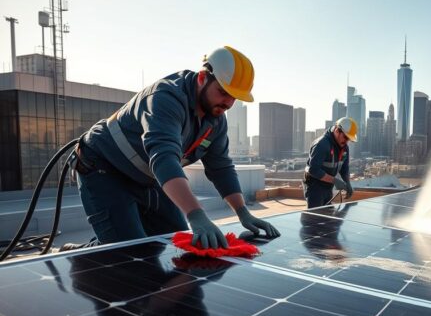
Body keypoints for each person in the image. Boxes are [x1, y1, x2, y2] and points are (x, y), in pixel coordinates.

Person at [65, 46, 279, 251]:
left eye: (234, 97)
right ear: (203, 78)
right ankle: (77, 256)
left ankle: (105, 244)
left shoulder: (215, 120)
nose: (228, 103)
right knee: (130, 252)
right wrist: (196, 214)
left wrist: (243, 213)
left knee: (174, 239)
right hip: (104, 167)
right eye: (223, 92)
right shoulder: (165, 98)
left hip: (145, 176)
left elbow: (221, 168)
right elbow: (164, 158)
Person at [303, 117, 356, 208]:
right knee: (315, 216)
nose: (346, 141)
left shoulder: (344, 148)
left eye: (349, 139)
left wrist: (348, 183)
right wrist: (335, 180)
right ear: (337, 130)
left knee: (327, 214)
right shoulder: (322, 144)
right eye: (345, 137)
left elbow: (344, 168)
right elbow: (314, 170)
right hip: (314, 186)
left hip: (328, 186)